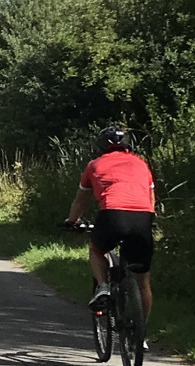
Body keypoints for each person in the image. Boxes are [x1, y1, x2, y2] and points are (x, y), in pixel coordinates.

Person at [66, 126, 156, 322]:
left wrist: (72, 221)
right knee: (143, 282)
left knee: (97, 249)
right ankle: (140, 335)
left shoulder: (94, 165)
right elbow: (151, 199)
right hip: (143, 217)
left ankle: (103, 287)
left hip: (113, 215)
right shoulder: (141, 164)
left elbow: (80, 201)